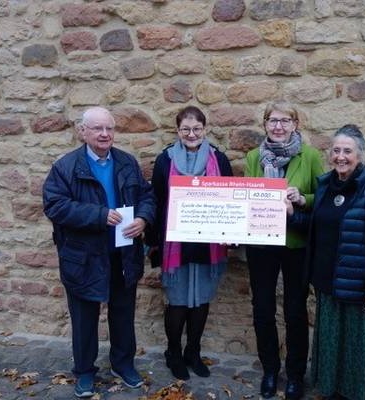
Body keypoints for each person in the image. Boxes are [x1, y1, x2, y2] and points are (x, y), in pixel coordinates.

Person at [42, 106, 155, 398]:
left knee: (123, 314)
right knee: (83, 319)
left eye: (109, 128)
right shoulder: (65, 167)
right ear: (83, 132)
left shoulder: (127, 162)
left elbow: (146, 195)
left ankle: (123, 363)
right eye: (97, 128)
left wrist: (143, 218)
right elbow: (54, 205)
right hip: (83, 257)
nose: (104, 134)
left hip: (122, 254)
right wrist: (98, 215)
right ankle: (84, 372)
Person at [286, 124, 365, 400]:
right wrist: (292, 215)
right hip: (325, 280)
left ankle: (357, 392)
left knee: (355, 346)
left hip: (357, 284)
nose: (341, 156)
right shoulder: (325, 185)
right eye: (336, 150)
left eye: (347, 151)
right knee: (330, 342)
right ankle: (332, 389)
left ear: (360, 155)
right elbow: (316, 226)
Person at [145, 106, 234, 380]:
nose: (191, 134)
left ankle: (192, 352)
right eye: (186, 129)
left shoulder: (219, 159)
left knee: (201, 300)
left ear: (204, 129)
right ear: (178, 131)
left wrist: (233, 231)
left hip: (208, 242)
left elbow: (232, 198)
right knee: (178, 301)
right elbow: (157, 201)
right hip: (176, 243)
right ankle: (173, 353)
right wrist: (153, 242)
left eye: (196, 129)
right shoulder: (165, 160)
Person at [244, 101, 325, 399]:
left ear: (295, 124)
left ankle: (294, 374)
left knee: (294, 310)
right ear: (264, 124)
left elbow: (324, 197)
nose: (278, 126)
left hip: (296, 245)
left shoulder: (311, 156)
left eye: (285, 120)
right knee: (262, 308)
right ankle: (269, 370)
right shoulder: (253, 157)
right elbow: (246, 197)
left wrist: (302, 198)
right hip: (262, 244)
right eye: (272, 120)